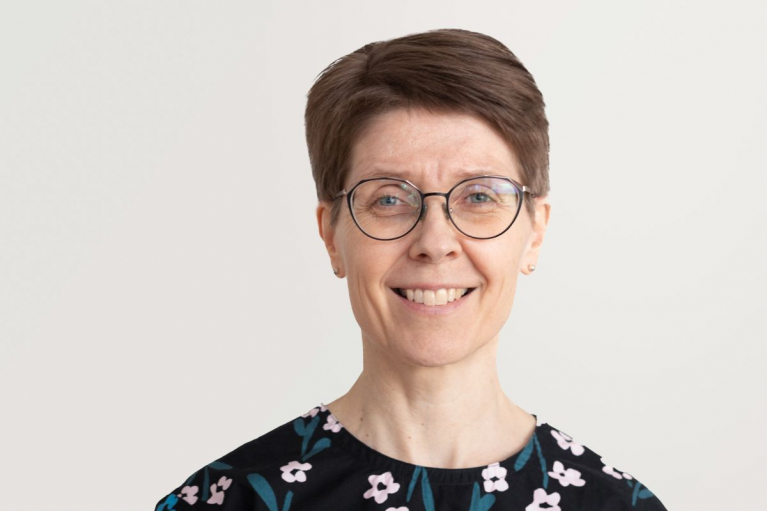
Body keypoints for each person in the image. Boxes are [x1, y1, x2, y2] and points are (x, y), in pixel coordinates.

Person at [155, 28, 668, 511]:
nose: (435, 243)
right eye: (389, 199)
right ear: (332, 235)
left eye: (480, 196)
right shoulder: (229, 500)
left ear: (534, 233)